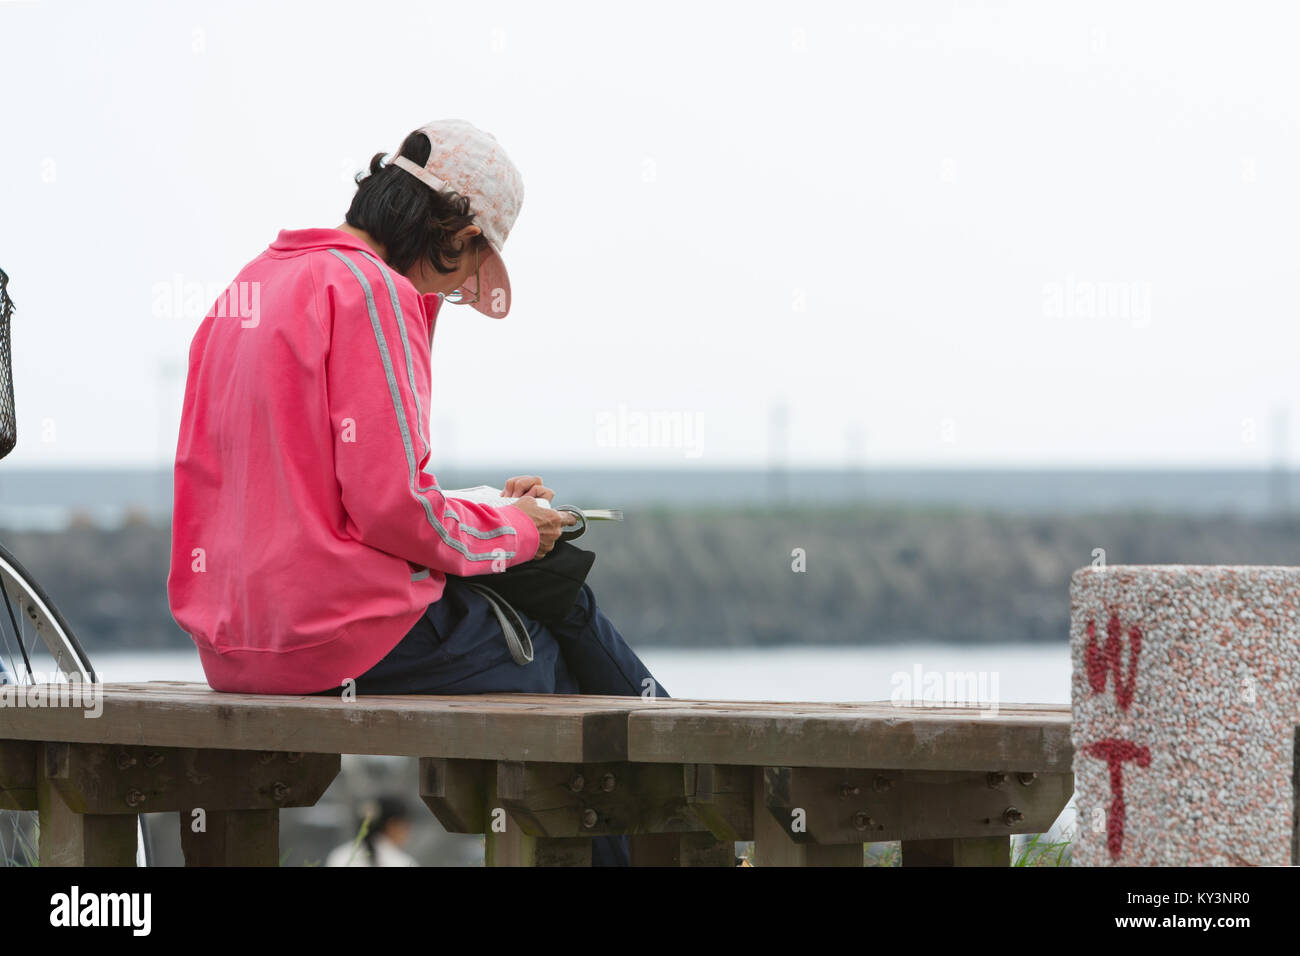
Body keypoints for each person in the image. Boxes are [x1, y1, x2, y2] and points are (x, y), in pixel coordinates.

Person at [166, 119, 669, 866]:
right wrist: (522, 531)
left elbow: (302, 488)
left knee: (554, 599)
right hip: (330, 638)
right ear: (457, 231)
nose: (461, 289)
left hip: (233, 644)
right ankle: (680, 791)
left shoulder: (249, 287)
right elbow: (391, 507)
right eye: (470, 268)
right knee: (564, 663)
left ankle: (676, 782)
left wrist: (491, 514)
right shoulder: (371, 293)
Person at [325, 797, 419, 867]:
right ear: (392, 825)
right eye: (407, 826)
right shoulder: (403, 862)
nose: (409, 833)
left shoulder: (340, 855)